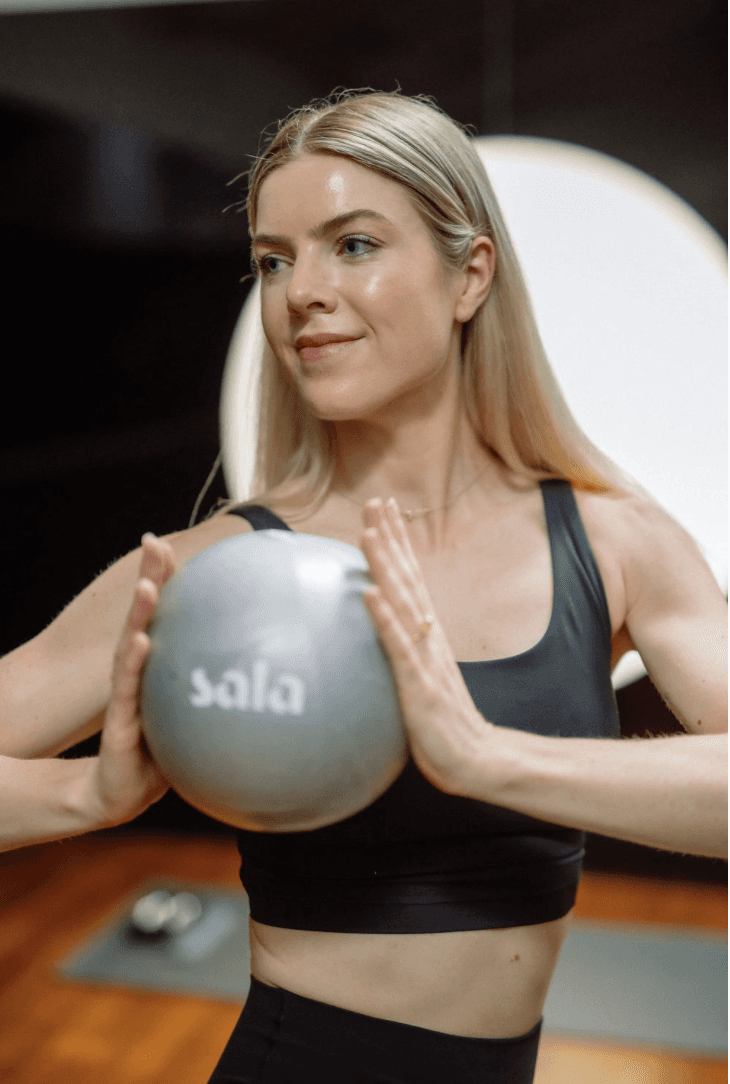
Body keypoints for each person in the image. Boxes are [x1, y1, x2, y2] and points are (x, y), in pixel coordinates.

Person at [0, 90, 726, 1084]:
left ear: (469, 274)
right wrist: (83, 793)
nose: (301, 291)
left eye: (352, 245)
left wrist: (489, 758)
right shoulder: (218, 567)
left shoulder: (610, 541)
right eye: (273, 258)